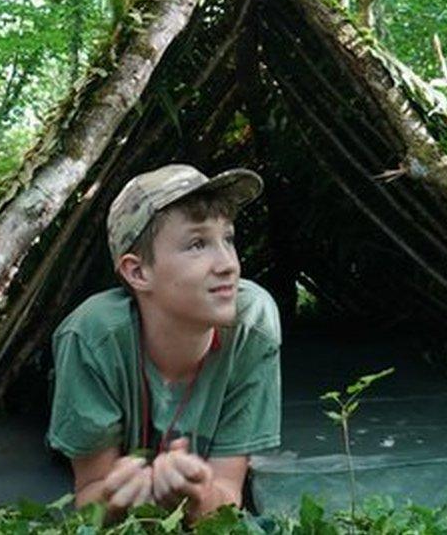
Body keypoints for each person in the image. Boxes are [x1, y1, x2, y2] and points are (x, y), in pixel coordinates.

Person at [47, 163, 282, 523]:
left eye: (229, 239)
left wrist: (197, 492)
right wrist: (116, 494)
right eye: (197, 244)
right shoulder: (92, 337)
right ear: (138, 272)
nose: (228, 264)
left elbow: (225, 500)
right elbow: (89, 500)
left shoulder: (253, 324)